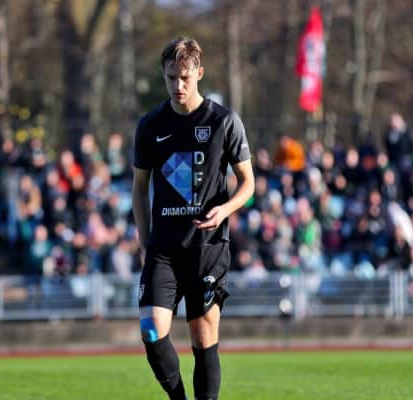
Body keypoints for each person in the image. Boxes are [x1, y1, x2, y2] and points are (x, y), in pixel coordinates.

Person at [132, 37, 254, 400]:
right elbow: (139, 188)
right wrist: (145, 241)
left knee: (203, 339)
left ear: (199, 73)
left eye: (184, 77)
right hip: (164, 248)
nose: (178, 85)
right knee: (151, 330)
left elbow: (248, 183)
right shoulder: (150, 125)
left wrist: (226, 209)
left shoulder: (223, 121)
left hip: (207, 248)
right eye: (171, 78)